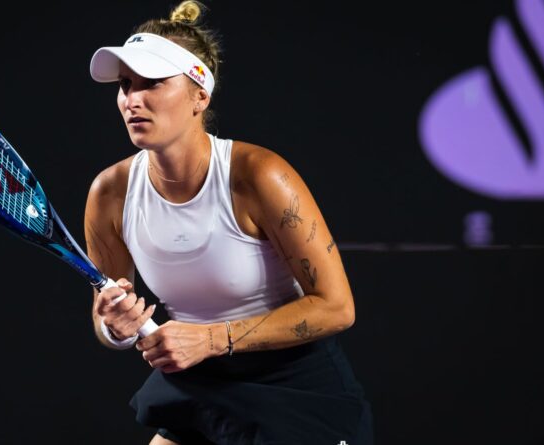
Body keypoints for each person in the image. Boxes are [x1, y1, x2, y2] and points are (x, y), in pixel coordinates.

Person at [84, 1, 373, 444]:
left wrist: (211, 339)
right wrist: (114, 328)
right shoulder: (109, 193)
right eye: (125, 85)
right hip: (197, 385)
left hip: (294, 388)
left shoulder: (260, 175)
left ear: (201, 94)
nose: (132, 100)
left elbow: (337, 307)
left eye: (153, 83)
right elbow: (107, 322)